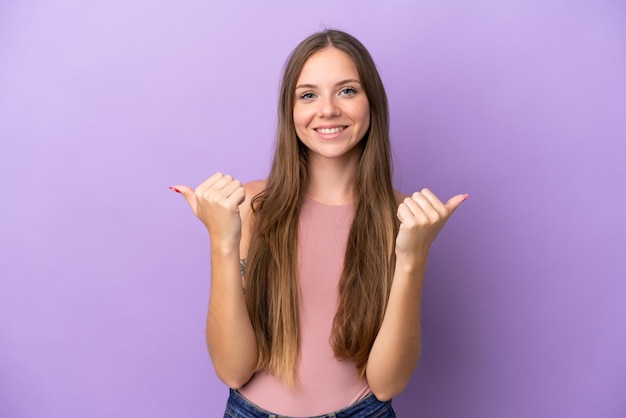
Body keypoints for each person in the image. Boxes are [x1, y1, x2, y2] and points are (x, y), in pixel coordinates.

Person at [172, 29, 467, 418]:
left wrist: (412, 256)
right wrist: (222, 241)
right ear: (290, 110)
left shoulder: (405, 218)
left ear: (371, 103)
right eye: (308, 94)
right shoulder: (249, 205)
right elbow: (232, 369)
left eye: (346, 90)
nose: (327, 109)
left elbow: (387, 383)